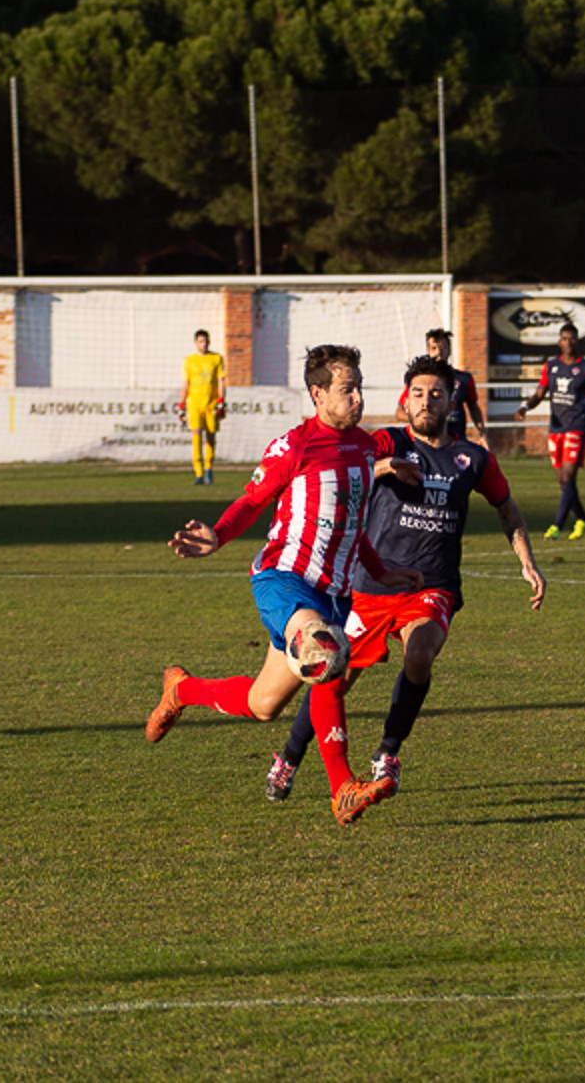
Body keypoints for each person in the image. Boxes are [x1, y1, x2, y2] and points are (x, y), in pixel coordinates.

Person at [152, 344, 426, 826]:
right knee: (326, 653)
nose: (358, 397)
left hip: (332, 594)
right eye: (347, 389)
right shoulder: (294, 445)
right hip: (284, 579)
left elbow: (350, 526)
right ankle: (342, 788)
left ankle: (181, 689)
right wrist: (218, 533)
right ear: (319, 394)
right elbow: (252, 500)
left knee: (263, 705)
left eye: (359, 386)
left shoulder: (366, 447)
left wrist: (382, 574)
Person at [265, 354, 545, 807]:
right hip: (371, 586)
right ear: (405, 398)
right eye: (417, 393)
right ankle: (290, 759)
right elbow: (343, 469)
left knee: (420, 655)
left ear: (452, 399)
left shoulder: (471, 458)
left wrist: (527, 561)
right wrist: (384, 468)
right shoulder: (383, 442)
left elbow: (506, 507)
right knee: (329, 676)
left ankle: (387, 754)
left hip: (431, 586)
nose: (426, 401)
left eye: (435, 393)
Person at [511, 321, 585, 539]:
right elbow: (539, 394)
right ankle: (583, 518)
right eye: (564, 338)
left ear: (577, 341)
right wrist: (525, 407)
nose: (568, 342)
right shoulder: (551, 366)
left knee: (568, 475)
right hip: (556, 428)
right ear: (559, 342)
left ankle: (557, 525)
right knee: (562, 481)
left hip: (577, 426)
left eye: (572, 338)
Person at [395, 327, 487, 446]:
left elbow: (473, 407)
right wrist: (425, 418)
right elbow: (399, 412)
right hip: (428, 443)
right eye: (434, 348)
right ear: (428, 351)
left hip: (456, 441)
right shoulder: (419, 381)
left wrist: (482, 433)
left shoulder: (464, 379)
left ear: (449, 351)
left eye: (443, 348)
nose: (439, 352)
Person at [181, 329, 228, 485]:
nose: (204, 344)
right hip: (194, 402)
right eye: (201, 341)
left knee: (210, 435)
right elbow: (186, 383)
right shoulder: (189, 360)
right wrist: (182, 404)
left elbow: (221, 381)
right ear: (196, 343)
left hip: (211, 403)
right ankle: (198, 472)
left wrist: (221, 401)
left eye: (206, 341)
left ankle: (209, 468)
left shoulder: (216, 358)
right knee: (196, 434)